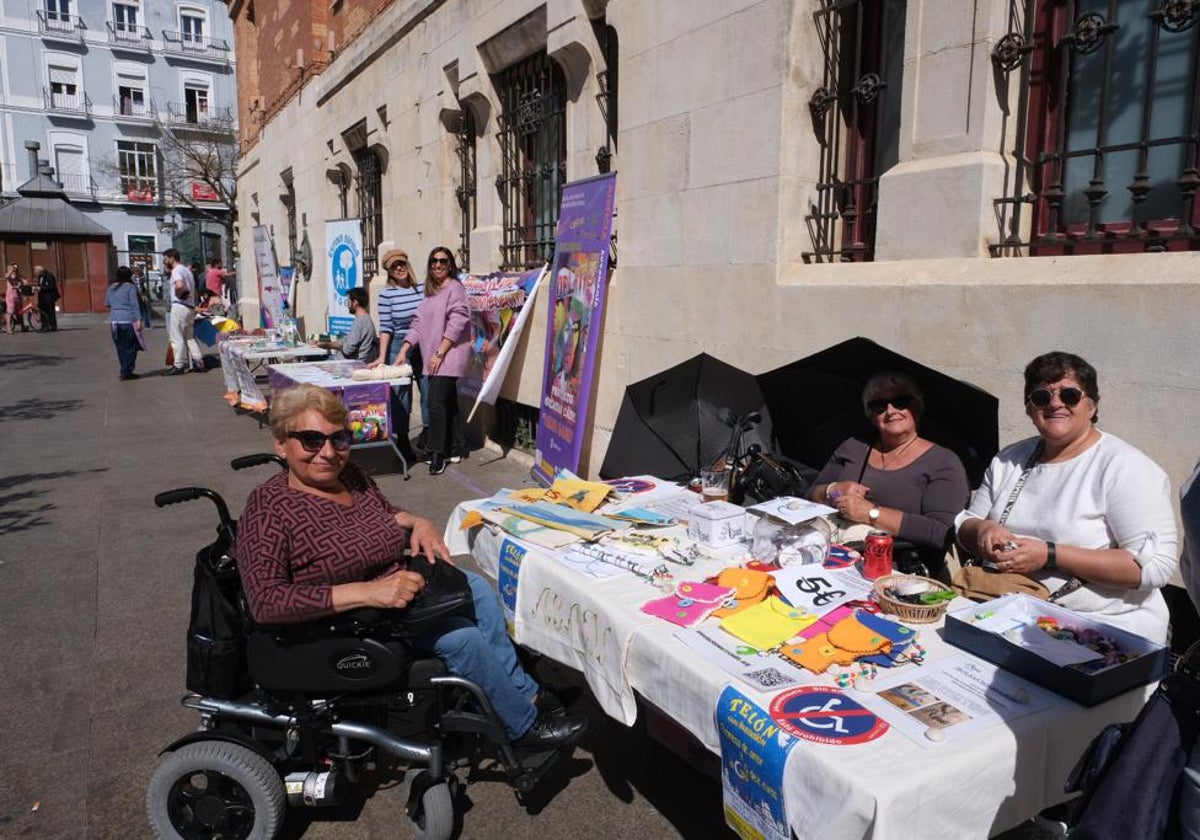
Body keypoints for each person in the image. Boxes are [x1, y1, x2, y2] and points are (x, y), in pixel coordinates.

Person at [234, 384, 587, 749]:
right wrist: (369, 592)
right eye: (310, 440)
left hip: (395, 599)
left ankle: (524, 694)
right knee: (461, 638)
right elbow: (266, 601)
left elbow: (385, 514)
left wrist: (418, 522)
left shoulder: (351, 476)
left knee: (477, 590)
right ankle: (523, 728)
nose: (327, 452)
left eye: (338, 439)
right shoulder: (269, 508)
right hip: (342, 623)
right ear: (281, 444)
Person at [955, 351, 1177, 642]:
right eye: (1042, 397)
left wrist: (1050, 555)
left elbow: (1154, 566)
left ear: (1091, 405)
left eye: (1070, 395)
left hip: (1099, 630)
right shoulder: (1010, 459)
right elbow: (965, 524)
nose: (1056, 403)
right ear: (1029, 407)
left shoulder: (1125, 467)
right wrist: (983, 531)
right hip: (1007, 614)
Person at [809, 371, 970, 579]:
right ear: (870, 414)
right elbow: (810, 493)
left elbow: (941, 532)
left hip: (899, 569)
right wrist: (832, 490)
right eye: (879, 405)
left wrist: (870, 513)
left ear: (917, 406)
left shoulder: (943, 462)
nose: (891, 411)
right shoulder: (853, 447)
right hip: (833, 555)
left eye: (900, 402)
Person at [395, 247, 470, 476]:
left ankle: (437, 453)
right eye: (433, 261)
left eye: (443, 261)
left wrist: (440, 353)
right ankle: (455, 447)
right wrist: (404, 350)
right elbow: (418, 324)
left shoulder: (455, 288)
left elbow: (458, 321)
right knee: (448, 402)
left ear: (450, 265)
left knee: (435, 402)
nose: (438, 265)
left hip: (448, 355)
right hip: (434, 355)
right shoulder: (431, 292)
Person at [370, 248, 427, 461]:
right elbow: (386, 328)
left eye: (402, 263)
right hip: (398, 345)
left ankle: (428, 435)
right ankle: (402, 440)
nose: (400, 268)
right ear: (389, 272)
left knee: (428, 388)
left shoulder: (422, 288)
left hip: (424, 343)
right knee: (401, 393)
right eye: (394, 266)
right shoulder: (386, 295)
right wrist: (382, 358)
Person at [163, 249, 199, 375]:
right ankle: (198, 361)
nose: (165, 261)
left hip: (179, 306)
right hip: (190, 307)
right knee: (189, 336)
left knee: (176, 337)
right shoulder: (187, 271)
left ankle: (178, 365)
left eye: (166, 258)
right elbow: (194, 290)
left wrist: (180, 294)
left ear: (172, 258)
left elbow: (179, 285)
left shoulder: (176, 270)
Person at [104, 266, 142, 380]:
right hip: (129, 321)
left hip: (115, 321)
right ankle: (127, 371)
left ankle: (124, 370)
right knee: (131, 347)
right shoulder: (131, 287)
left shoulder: (111, 287)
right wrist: (139, 319)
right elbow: (135, 305)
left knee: (121, 347)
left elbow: (107, 303)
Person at [338, 287, 379, 362]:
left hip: (354, 364)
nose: (347, 305)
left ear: (355, 303)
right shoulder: (367, 318)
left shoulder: (359, 322)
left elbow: (348, 350)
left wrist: (331, 345)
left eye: (348, 301)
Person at [34, 265, 59, 332]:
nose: (35, 273)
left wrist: (41, 288)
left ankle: (53, 326)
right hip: (42, 297)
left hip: (49, 297)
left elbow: (51, 286)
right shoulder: (40, 276)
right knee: (42, 312)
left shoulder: (49, 276)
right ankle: (45, 326)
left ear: (40, 271)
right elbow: (40, 285)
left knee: (51, 312)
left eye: (36, 271)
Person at [4, 264, 20, 335]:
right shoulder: (8, 274)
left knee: (18, 311)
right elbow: (6, 276)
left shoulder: (16, 275)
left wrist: (18, 285)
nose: (14, 269)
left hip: (16, 294)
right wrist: (11, 270)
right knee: (10, 312)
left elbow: (19, 282)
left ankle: (22, 326)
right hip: (10, 295)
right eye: (13, 268)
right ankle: (8, 328)